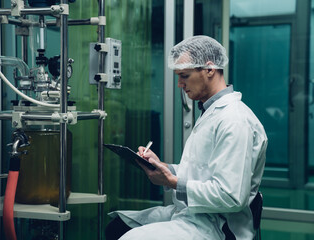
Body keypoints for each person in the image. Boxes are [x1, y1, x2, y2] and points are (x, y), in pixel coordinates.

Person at [105, 35, 268, 240]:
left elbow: (230, 196)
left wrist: (173, 182)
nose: (179, 84)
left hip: (218, 226)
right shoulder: (211, 112)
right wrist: (163, 167)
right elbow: (202, 170)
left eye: (184, 76)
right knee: (118, 226)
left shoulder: (234, 120)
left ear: (209, 69)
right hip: (195, 213)